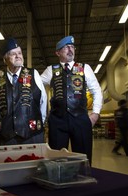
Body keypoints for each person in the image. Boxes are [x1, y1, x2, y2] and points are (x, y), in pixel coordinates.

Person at [41, 35, 103, 164]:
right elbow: (37, 86)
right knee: (56, 158)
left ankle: (83, 182)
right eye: (66, 47)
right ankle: (57, 181)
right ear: (57, 52)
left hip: (80, 119)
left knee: (83, 157)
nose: (70, 49)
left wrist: (95, 113)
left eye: (72, 47)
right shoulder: (50, 70)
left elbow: (96, 90)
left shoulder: (84, 68)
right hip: (57, 121)